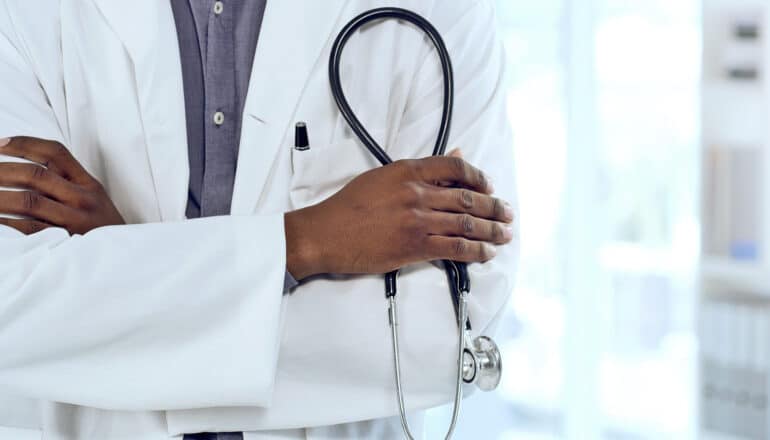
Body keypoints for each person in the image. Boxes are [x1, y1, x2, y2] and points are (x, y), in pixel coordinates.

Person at [0, 0, 518, 439]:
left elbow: (455, 330)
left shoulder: (444, 11)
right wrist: (309, 240)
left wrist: (122, 270)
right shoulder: (25, 15)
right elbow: (13, 307)